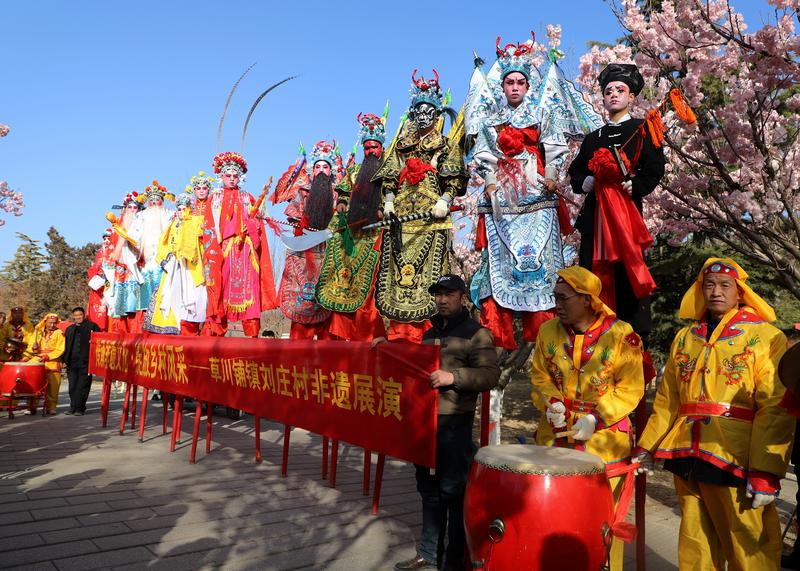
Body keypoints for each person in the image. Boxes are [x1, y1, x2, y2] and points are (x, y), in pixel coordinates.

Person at [634, 257, 793, 570]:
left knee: (748, 544)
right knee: (695, 541)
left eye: (724, 285)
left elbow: (774, 407)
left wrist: (766, 470)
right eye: (709, 285)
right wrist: (647, 445)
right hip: (685, 453)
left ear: (740, 292)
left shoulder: (766, 337)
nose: (716, 292)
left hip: (734, 456)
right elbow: (668, 399)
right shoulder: (685, 338)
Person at [467, 36, 601, 351]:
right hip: (501, 199)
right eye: (509, 82)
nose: (515, 87)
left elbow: (554, 146)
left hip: (536, 194)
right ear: (502, 86)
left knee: (542, 265)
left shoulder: (542, 113)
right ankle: (495, 341)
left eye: (520, 82)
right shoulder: (490, 120)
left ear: (528, 85)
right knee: (497, 265)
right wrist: (489, 181)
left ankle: (546, 337)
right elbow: (485, 154)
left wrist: (552, 176)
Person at [529, 265, 644, 570]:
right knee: (555, 516)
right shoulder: (547, 331)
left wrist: (595, 419)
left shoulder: (622, 335)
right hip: (555, 439)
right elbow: (539, 376)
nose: (557, 304)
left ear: (587, 300)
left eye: (564, 298)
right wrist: (551, 404)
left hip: (605, 445)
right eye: (555, 297)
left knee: (603, 521)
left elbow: (631, 388)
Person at [387, 273, 500, 571]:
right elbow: (412, 367)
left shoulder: (477, 334)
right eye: (438, 294)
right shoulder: (429, 333)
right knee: (428, 489)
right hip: (425, 422)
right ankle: (429, 551)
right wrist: (384, 349)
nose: (442, 299)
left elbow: (491, 375)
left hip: (455, 424)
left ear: (462, 297)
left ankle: (454, 560)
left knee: (453, 492)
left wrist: (454, 377)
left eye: (449, 294)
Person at [567, 63, 665, 346]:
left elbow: (655, 167)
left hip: (625, 214)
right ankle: (591, 332)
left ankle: (633, 336)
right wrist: (585, 181)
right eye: (608, 91)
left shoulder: (642, 129)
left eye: (620, 90)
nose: (613, 95)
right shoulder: (593, 138)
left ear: (631, 96)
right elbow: (576, 172)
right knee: (591, 272)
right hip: (595, 214)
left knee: (626, 272)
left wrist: (637, 185)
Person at [373, 70, 468, 344]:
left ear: (437, 114)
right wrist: (388, 201)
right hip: (400, 221)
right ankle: (398, 337)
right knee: (397, 275)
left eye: (429, 112)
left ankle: (427, 338)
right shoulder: (402, 146)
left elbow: (453, 177)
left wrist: (444, 199)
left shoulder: (446, 145)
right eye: (419, 111)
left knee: (429, 278)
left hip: (431, 221)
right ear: (413, 114)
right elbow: (390, 175)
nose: (424, 116)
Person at [316, 112, 388, 341]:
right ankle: (340, 339)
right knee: (343, 281)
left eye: (374, 147)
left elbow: (392, 196)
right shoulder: (355, 171)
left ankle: (366, 338)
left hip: (374, 235)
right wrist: (342, 203)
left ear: (381, 148)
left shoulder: (388, 171)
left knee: (368, 289)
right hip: (351, 233)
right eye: (367, 148)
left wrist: (383, 209)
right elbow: (344, 192)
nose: (370, 151)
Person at [208, 151, 278, 338]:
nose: (232, 179)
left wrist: (250, 226)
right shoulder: (215, 198)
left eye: (235, 175)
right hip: (224, 250)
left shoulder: (248, 198)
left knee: (251, 292)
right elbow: (209, 226)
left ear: (240, 177)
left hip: (246, 251)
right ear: (221, 176)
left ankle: (252, 336)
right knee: (220, 291)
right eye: (228, 175)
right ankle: (216, 338)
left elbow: (259, 224)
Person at [277, 140, 339, 339]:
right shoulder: (303, 191)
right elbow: (293, 214)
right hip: (304, 250)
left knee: (329, 306)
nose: (321, 171)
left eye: (325, 167)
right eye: (317, 167)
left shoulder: (338, 194)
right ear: (312, 170)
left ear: (331, 170)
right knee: (302, 299)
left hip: (329, 250)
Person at [142, 192, 208, 335]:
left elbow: (204, 237)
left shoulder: (196, 221)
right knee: (170, 294)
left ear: (190, 208)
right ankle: (171, 326)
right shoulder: (172, 224)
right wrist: (167, 258)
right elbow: (163, 243)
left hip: (190, 266)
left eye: (184, 208)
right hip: (174, 266)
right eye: (179, 209)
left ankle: (189, 329)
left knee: (191, 296)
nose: (181, 211)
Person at [63, 307, 101, 415]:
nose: (78, 317)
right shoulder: (70, 329)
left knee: (82, 386)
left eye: (80, 315)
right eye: (76, 315)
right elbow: (65, 346)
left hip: (86, 362)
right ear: (73, 316)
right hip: (71, 362)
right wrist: (64, 360)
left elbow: (99, 341)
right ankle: (73, 407)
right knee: (72, 386)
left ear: (83, 315)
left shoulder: (92, 326)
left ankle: (80, 408)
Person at [25, 313, 66, 415]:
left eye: (54, 323)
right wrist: (29, 353)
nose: (52, 325)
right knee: (33, 383)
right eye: (50, 323)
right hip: (38, 359)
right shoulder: (38, 332)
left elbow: (60, 349)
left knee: (53, 386)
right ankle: (31, 406)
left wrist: (48, 356)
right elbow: (31, 346)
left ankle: (51, 407)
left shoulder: (59, 333)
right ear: (45, 322)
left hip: (53, 361)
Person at [86, 228, 113, 331]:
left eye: (109, 238)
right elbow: (95, 268)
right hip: (100, 285)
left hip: (113, 283)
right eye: (104, 238)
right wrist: (95, 278)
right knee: (98, 307)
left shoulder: (117, 251)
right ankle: (98, 329)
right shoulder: (101, 252)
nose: (106, 241)